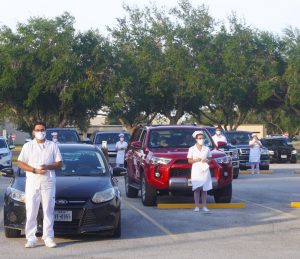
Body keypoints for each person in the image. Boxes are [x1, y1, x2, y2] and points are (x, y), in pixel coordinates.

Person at [18, 122, 62, 248]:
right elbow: (20, 163)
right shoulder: (28, 146)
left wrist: (48, 166)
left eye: (42, 130)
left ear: (46, 131)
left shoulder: (52, 145)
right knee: (31, 210)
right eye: (38, 130)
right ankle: (31, 238)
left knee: (48, 210)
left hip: (48, 182)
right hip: (32, 182)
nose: (40, 132)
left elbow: (59, 163)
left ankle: (48, 237)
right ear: (33, 132)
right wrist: (35, 170)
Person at [187, 130, 212, 213]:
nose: (201, 139)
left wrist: (207, 160)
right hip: (196, 169)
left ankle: (204, 206)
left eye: (202, 138)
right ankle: (197, 206)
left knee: (205, 189)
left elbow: (210, 159)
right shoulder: (191, 149)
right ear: (196, 139)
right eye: (199, 138)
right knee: (197, 188)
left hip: (205, 169)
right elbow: (189, 160)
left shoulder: (207, 148)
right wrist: (195, 160)